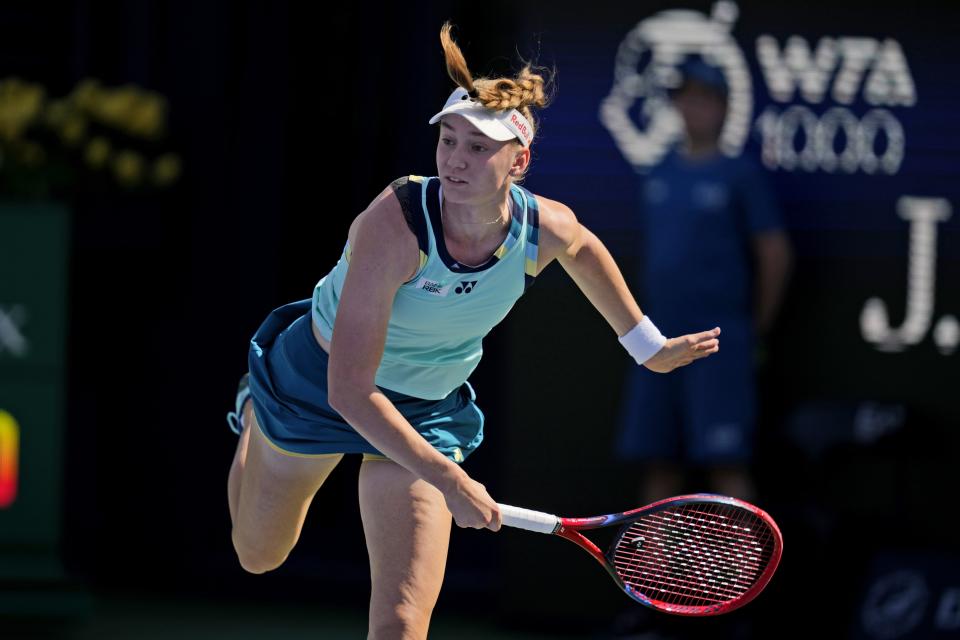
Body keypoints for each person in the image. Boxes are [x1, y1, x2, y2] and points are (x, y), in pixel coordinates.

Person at [224, 23, 721, 639]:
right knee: (258, 555)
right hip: (316, 386)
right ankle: (254, 409)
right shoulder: (395, 222)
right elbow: (349, 391)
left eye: (479, 147)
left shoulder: (546, 227)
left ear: (520, 160)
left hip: (425, 406)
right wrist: (453, 480)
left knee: (404, 622)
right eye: (448, 139)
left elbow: (586, 251)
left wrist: (647, 346)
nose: (455, 159)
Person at [617, 55, 793, 508]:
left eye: (704, 99)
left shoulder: (741, 175)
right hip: (658, 338)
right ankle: (649, 578)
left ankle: (741, 577)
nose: (694, 109)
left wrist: (754, 329)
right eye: (686, 99)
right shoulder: (658, 173)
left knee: (727, 464)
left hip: (721, 339)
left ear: (724, 107)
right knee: (659, 462)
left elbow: (775, 254)